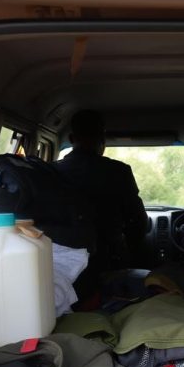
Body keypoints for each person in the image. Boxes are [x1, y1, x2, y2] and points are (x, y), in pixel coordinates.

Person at [54, 109, 150, 281]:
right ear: (102, 139)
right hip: (108, 263)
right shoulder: (119, 171)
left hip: (60, 266)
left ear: (71, 138)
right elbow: (138, 223)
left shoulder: (51, 171)